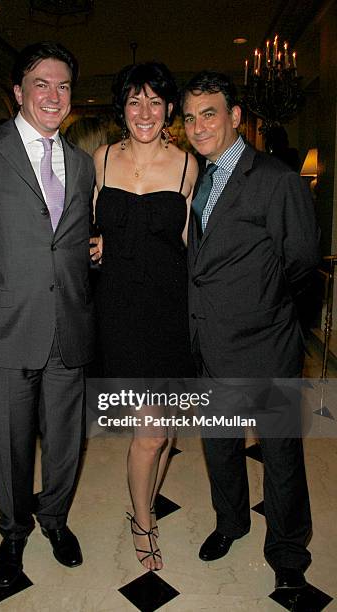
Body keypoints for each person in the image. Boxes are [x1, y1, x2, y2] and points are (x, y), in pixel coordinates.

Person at [0, 41, 95, 588]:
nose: (54, 96)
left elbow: (65, 242)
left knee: (65, 440)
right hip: (1, 326)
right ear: (18, 92)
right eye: (42, 84)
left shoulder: (80, 164)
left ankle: (54, 520)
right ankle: (13, 532)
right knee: (7, 440)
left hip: (69, 326)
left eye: (64, 86)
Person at [181, 71, 319, 590]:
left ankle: (287, 553)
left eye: (209, 113)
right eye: (190, 117)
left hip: (266, 345)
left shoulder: (275, 178)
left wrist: (278, 321)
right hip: (207, 342)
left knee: (280, 453)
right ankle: (230, 521)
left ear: (235, 116)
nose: (198, 126)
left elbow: (303, 265)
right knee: (219, 441)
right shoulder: (198, 178)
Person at [92, 62, 198, 571]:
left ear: (169, 110)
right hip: (119, 312)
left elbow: (192, 244)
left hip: (167, 309)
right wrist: (92, 245)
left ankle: (145, 503)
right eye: (135, 101)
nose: (145, 112)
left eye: (155, 102)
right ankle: (142, 520)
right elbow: (89, 224)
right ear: (123, 109)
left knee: (166, 429)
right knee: (150, 433)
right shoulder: (101, 159)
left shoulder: (185, 166)